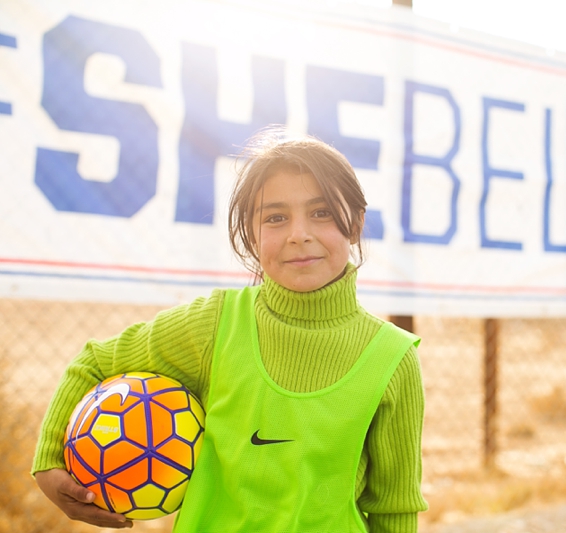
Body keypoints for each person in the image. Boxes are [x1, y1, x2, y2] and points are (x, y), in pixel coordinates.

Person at [32, 131, 428, 532]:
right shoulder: (214, 325)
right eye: (275, 218)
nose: (298, 233)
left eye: (321, 212)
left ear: (356, 224)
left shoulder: (392, 359)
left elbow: (394, 508)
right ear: (252, 236)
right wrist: (49, 461)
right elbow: (94, 363)